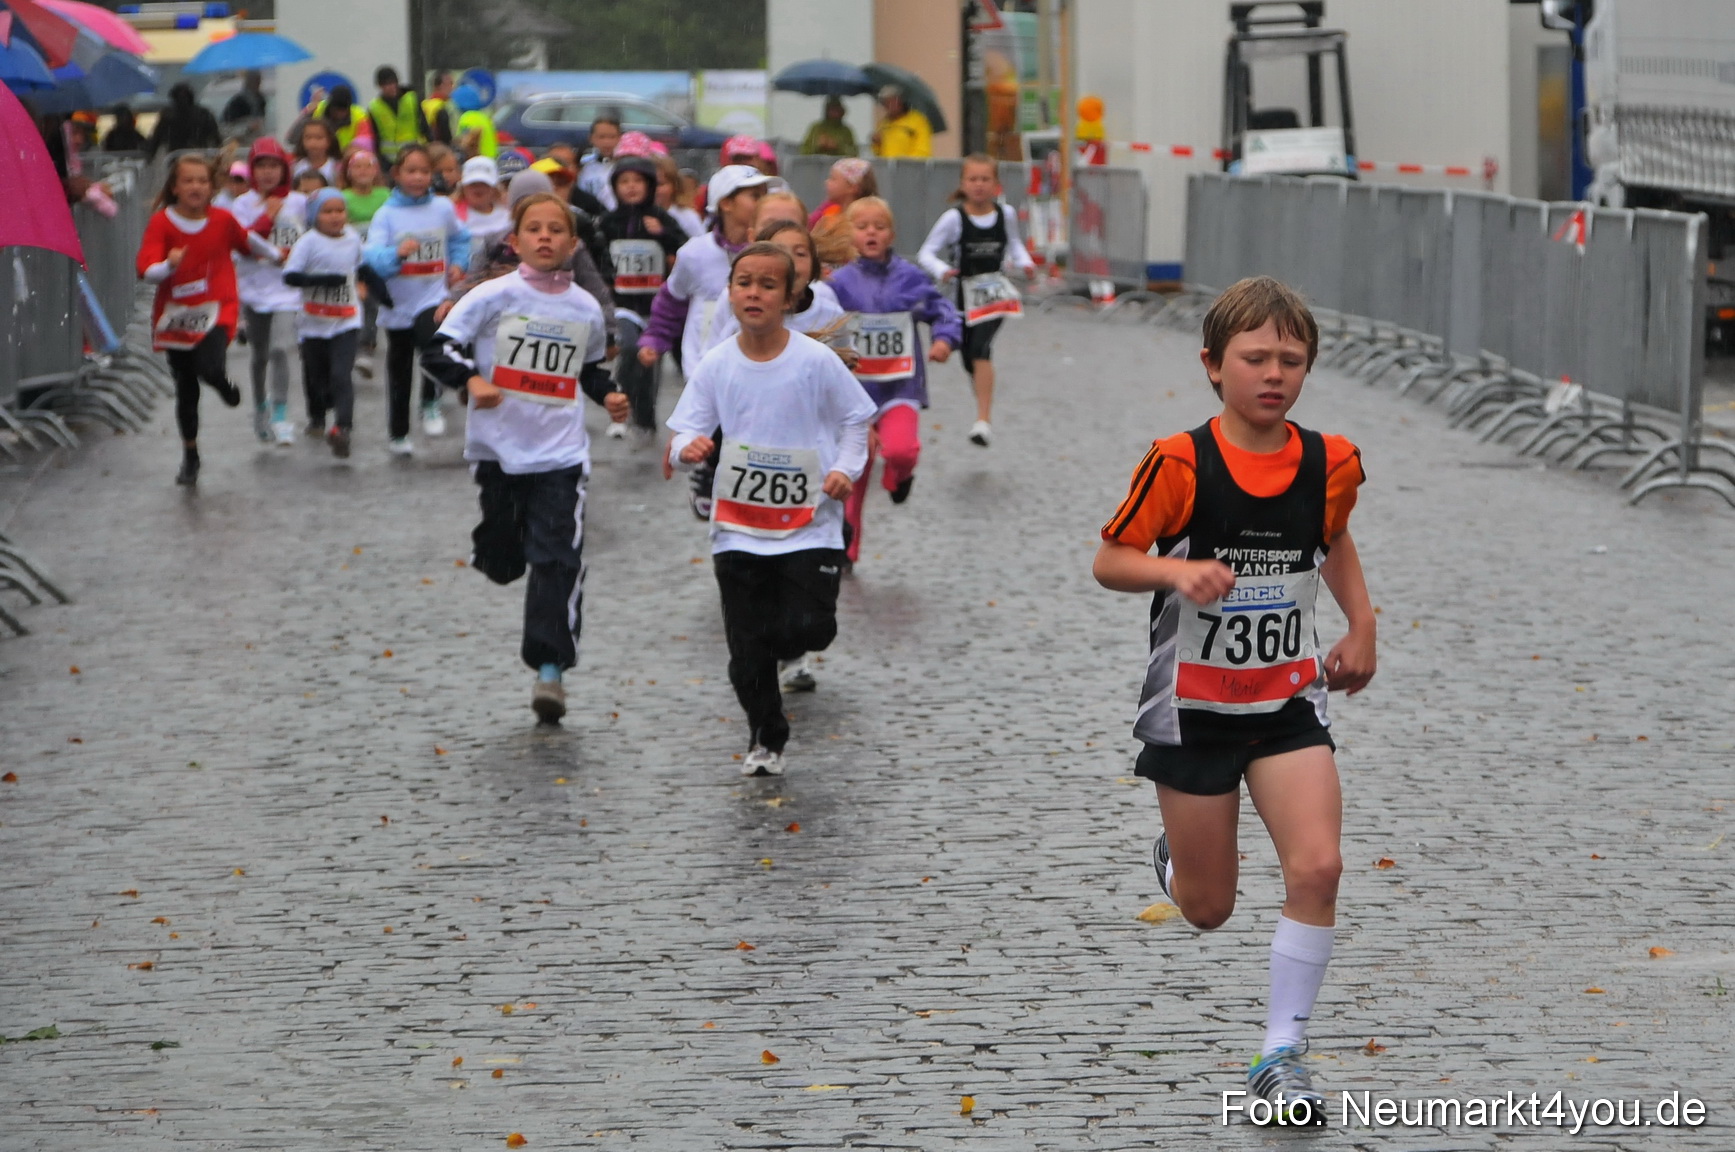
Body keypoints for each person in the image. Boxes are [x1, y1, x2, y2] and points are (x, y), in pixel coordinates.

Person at [1092, 276, 1375, 1127]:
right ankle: (1179, 863)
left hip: (1286, 705)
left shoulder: (1330, 462)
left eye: (1291, 359)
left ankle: (1280, 1055)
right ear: (1213, 365)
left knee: (1318, 868)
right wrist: (1174, 570)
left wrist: (1362, 624)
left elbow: (1332, 539)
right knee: (1209, 908)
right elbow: (1110, 559)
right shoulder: (1180, 463)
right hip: (1193, 711)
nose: (1273, 374)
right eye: (1254, 358)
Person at [666, 242, 876, 776]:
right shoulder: (718, 363)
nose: (753, 293)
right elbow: (683, 429)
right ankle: (765, 737)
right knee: (746, 650)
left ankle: (788, 650)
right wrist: (687, 448)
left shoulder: (815, 361)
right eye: (744, 283)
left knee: (810, 629)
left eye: (767, 284)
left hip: (810, 526)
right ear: (730, 293)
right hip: (738, 528)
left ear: (790, 298)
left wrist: (844, 470)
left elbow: (856, 420)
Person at [421, 192, 630, 723]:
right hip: (497, 451)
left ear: (572, 244)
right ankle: (496, 550)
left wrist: (608, 395)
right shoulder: (492, 295)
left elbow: (587, 369)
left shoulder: (584, 307)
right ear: (514, 241)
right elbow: (437, 349)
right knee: (504, 556)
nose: (545, 237)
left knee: (557, 558)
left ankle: (550, 670)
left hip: (561, 455)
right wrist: (472, 381)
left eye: (555, 230)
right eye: (534, 229)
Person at [826, 197, 960, 565]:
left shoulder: (910, 277)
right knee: (855, 470)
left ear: (892, 234)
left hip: (900, 387)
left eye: (879, 227)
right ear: (849, 235)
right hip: (855, 393)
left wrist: (945, 340)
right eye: (862, 227)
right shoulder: (838, 283)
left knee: (901, 450)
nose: (871, 233)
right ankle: (846, 549)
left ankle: (899, 477)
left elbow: (943, 310)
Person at [136, 154, 283, 485]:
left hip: (218, 306)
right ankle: (190, 455)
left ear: (212, 187)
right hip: (177, 314)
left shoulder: (222, 220)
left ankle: (222, 384)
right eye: (188, 181)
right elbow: (146, 270)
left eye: (202, 181)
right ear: (175, 187)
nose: (196, 187)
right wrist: (169, 265)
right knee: (186, 386)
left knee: (210, 366)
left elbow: (248, 241)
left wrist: (276, 255)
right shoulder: (162, 223)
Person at [638, 164, 770, 516]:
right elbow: (672, 300)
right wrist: (655, 338)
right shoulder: (695, 254)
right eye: (753, 195)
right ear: (725, 203)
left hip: (758, 354)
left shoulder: (772, 253)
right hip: (706, 357)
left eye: (764, 195)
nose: (762, 202)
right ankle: (708, 471)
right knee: (714, 421)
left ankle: (744, 480)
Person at [915, 153, 1036, 448]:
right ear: (963, 184)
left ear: (996, 184)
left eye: (985, 179)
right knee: (970, 355)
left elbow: (1015, 243)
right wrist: (942, 270)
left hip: (995, 296)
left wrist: (1026, 263)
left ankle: (983, 420)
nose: (979, 185)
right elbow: (926, 253)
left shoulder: (1005, 214)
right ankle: (983, 397)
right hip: (962, 295)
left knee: (981, 347)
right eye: (972, 179)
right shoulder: (954, 219)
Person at [362, 143, 470, 454]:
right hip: (397, 304)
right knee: (400, 369)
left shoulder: (442, 207)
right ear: (396, 174)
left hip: (432, 296)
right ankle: (398, 433)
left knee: (432, 344)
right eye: (411, 171)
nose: (418, 177)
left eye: (424, 171)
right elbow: (373, 258)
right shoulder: (386, 215)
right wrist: (396, 254)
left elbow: (460, 238)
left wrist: (458, 263)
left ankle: (430, 402)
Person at [597, 154, 688, 443]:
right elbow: (597, 255)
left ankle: (645, 420)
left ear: (649, 185)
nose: (631, 186)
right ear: (615, 187)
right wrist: (606, 280)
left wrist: (662, 234)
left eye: (638, 181)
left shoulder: (662, 219)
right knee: (628, 348)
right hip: (622, 304)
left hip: (654, 306)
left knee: (648, 364)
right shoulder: (608, 222)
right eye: (624, 181)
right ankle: (621, 412)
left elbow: (685, 249)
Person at [229, 137, 308, 445]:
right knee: (260, 354)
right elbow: (242, 244)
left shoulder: (299, 203)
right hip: (254, 289)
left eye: (274, 165)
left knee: (280, 349)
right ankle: (260, 405)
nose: (267, 172)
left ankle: (280, 413)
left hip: (288, 291)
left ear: (284, 169)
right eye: (261, 166)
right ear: (252, 170)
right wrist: (267, 217)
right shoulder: (242, 204)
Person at [283, 188, 366, 457]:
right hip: (313, 322)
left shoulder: (352, 238)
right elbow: (290, 277)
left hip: (346, 320)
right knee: (317, 378)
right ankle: (317, 417)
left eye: (339, 211)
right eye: (327, 212)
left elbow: (362, 267)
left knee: (341, 375)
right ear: (315, 216)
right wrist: (323, 280)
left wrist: (379, 291)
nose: (335, 216)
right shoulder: (308, 242)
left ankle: (343, 429)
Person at [808, 157, 877, 267]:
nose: (827, 182)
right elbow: (809, 225)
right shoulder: (829, 208)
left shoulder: (866, 215)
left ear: (852, 187)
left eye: (833, 179)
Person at [455, 156, 511, 268]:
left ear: (494, 187)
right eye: (473, 184)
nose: (478, 188)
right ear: (463, 188)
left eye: (484, 183)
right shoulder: (454, 216)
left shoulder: (508, 215)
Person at [367, 66, 429, 166]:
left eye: (392, 83)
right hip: (388, 160)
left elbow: (424, 126)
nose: (390, 87)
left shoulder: (412, 99)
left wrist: (430, 145)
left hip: (413, 154)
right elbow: (375, 136)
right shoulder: (374, 108)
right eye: (385, 84)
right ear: (380, 86)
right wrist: (378, 158)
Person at [146, 82, 221, 159]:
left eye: (184, 97)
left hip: (186, 156)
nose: (183, 100)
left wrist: (150, 155)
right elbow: (216, 137)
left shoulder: (168, 115)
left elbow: (156, 138)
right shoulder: (203, 113)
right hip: (188, 156)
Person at [872, 86, 932, 159]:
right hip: (888, 165)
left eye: (894, 101)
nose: (891, 105)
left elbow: (923, 151)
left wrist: (904, 163)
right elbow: (878, 154)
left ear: (901, 101)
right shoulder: (883, 124)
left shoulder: (918, 120)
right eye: (887, 103)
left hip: (909, 165)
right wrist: (877, 144)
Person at [654, 154, 704, 239]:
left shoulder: (687, 217)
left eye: (660, 184)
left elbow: (701, 243)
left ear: (674, 185)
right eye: (649, 183)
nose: (654, 189)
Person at [577, 114, 621, 210]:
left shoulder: (625, 165)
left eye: (612, 137)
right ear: (591, 138)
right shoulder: (584, 165)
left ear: (619, 138)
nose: (607, 142)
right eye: (601, 137)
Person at [292, 119, 340, 188]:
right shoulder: (295, 167)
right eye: (308, 138)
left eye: (319, 138)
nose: (313, 143)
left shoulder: (337, 168)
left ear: (329, 140)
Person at [221, 70, 268, 139]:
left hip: (258, 138)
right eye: (254, 80)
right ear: (247, 82)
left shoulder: (261, 100)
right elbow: (227, 127)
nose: (257, 84)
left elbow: (262, 121)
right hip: (241, 141)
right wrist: (248, 127)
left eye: (258, 81)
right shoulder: (237, 102)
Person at [423, 71, 457, 145]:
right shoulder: (441, 107)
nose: (453, 88)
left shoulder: (424, 104)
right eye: (450, 84)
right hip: (438, 147)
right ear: (440, 86)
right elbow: (445, 135)